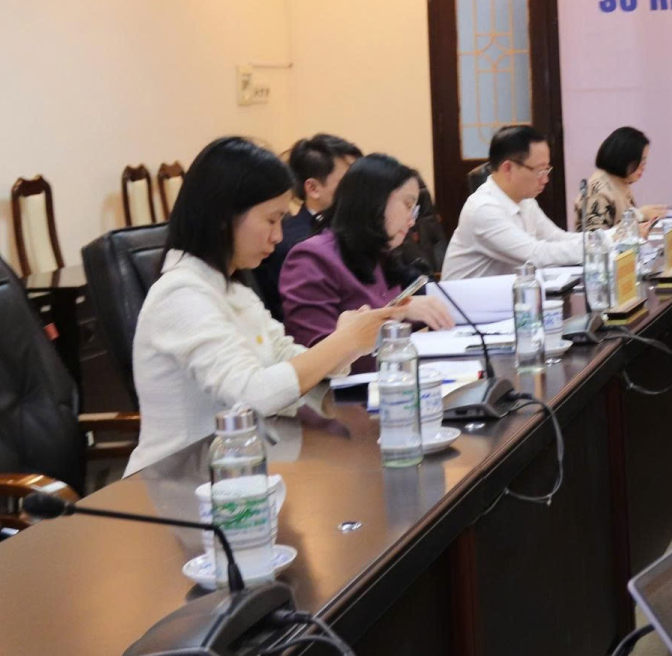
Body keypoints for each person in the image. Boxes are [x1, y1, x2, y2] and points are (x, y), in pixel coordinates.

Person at [126, 138, 396, 474]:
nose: (278, 236)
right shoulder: (180, 294)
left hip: (243, 470)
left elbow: (285, 356)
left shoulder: (233, 289)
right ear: (224, 216)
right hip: (177, 482)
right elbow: (252, 395)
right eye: (271, 220)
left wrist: (346, 345)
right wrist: (344, 342)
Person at [279, 154, 457, 351]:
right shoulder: (311, 258)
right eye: (407, 205)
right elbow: (319, 354)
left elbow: (387, 318)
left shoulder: (378, 253)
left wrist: (419, 312)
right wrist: (400, 312)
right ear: (375, 200)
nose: (411, 221)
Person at [443, 124, 581, 278]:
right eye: (539, 170)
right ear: (508, 168)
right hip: (467, 294)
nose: (545, 179)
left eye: (547, 169)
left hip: (506, 291)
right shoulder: (483, 209)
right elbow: (536, 255)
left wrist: (599, 239)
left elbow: (556, 237)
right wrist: (593, 248)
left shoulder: (525, 200)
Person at [250, 133, 361, 316]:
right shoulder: (292, 243)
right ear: (313, 188)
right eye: (350, 181)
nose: (361, 190)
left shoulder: (354, 231)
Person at [576, 125, 667, 228]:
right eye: (639, 161)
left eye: (644, 161)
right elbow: (595, 235)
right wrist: (640, 215)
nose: (643, 167)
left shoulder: (620, 182)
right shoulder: (598, 191)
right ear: (623, 157)